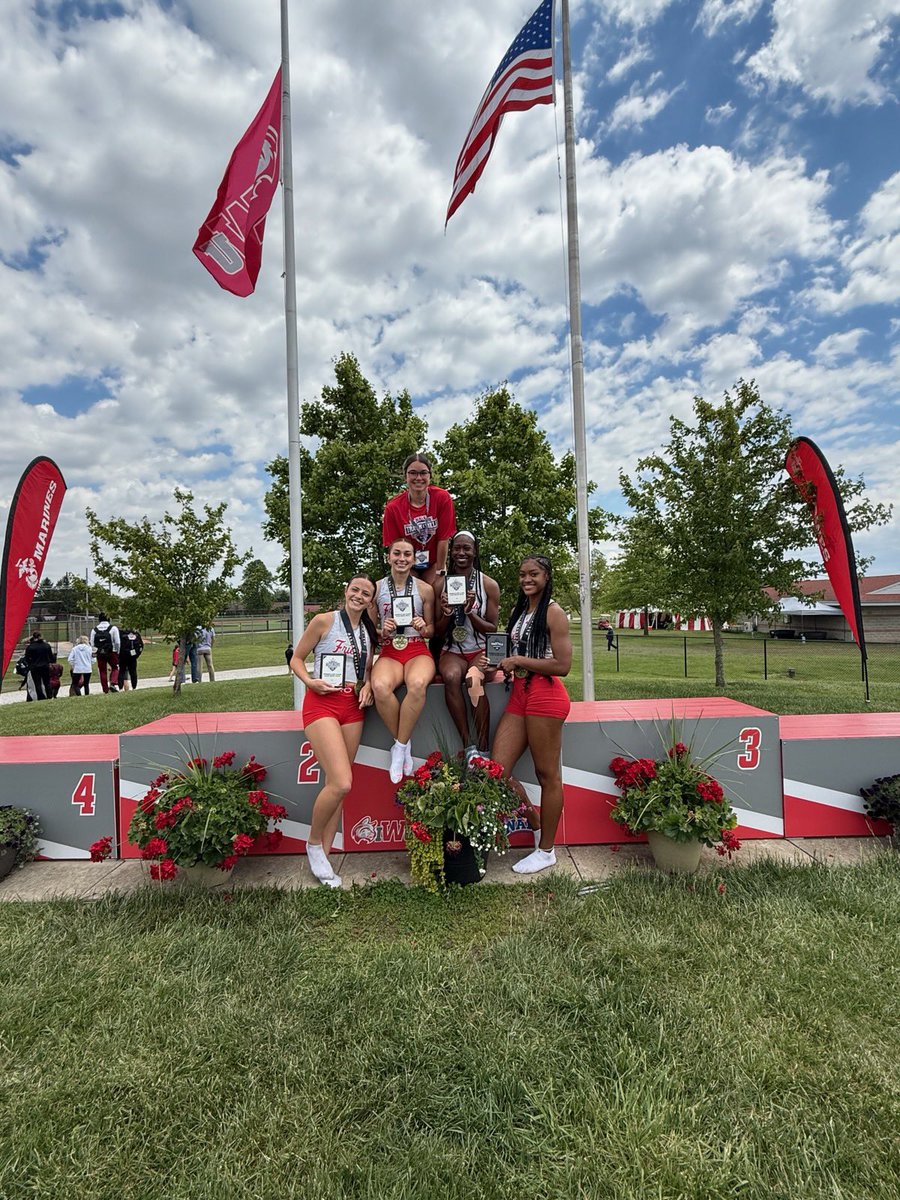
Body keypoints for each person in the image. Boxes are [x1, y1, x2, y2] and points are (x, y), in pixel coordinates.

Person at [290, 576, 378, 887]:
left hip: (353, 707)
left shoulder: (369, 632)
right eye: (355, 589)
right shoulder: (323, 621)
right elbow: (296, 659)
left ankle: (324, 860)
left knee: (337, 785)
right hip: (322, 704)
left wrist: (367, 686)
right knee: (342, 782)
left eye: (366, 593)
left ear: (371, 601)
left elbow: (366, 670)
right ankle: (313, 843)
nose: (359, 596)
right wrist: (309, 682)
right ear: (346, 591)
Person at [491, 554, 572, 875]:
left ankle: (547, 850)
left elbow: (562, 666)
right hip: (520, 694)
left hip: (546, 695)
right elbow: (513, 654)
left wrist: (519, 661)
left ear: (546, 576)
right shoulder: (519, 611)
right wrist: (497, 662)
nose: (527, 579)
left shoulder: (554, 613)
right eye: (522, 574)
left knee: (547, 775)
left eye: (534, 574)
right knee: (497, 771)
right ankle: (536, 823)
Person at [370, 538, 436, 783]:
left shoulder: (424, 589)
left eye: (407, 554)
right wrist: (382, 631)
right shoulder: (376, 589)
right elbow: (370, 630)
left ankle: (398, 748)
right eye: (397, 553)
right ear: (388, 556)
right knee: (380, 687)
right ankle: (403, 745)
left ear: (414, 559)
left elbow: (432, 630)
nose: (402, 558)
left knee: (418, 684)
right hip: (390, 650)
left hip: (417, 648)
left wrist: (423, 626)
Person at [433, 531, 500, 755]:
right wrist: (447, 614)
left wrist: (471, 612)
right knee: (451, 677)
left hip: (479, 650)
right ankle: (469, 747)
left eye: (467, 548)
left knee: (473, 679)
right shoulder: (440, 584)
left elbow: (492, 628)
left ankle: (484, 748)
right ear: (451, 552)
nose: (461, 552)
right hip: (452, 650)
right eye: (457, 548)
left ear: (475, 551)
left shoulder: (488, 584)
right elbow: (436, 631)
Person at [381, 453, 456, 588]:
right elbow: (395, 547)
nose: (418, 478)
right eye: (413, 473)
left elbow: (443, 538)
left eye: (423, 473)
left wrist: (440, 571)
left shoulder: (442, 498)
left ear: (430, 475)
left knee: (437, 590)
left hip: (434, 561)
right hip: (407, 562)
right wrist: (402, 572)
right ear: (406, 477)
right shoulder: (393, 507)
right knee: (412, 592)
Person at [90, 612, 120, 693]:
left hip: (100, 652)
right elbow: (117, 642)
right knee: (115, 667)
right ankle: (113, 683)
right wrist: (117, 651)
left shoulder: (94, 630)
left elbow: (92, 643)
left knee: (102, 671)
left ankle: (105, 689)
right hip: (111, 651)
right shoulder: (113, 628)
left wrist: (94, 653)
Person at [23, 631, 55, 701]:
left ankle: (41, 697)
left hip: (35, 667)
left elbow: (27, 658)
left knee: (37, 683)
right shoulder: (46, 645)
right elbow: (51, 657)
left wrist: (31, 664)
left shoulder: (30, 647)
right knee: (47, 682)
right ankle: (50, 696)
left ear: (33, 637)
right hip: (45, 666)